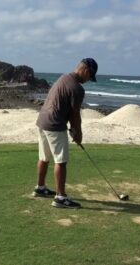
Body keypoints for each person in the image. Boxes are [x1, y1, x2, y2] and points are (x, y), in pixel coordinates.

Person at [32, 58, 98, 209]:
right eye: (90, 76)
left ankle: (40, 188)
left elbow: (65, 107)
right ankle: (60, 197)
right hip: (55, 125)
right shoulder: (78, 88)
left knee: (44, 157)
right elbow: (75, 115)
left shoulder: (63, 77)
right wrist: (78, 134)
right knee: (61, 161)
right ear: (86, 70)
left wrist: (73, 130)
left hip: (42, 121)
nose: (88, 80)